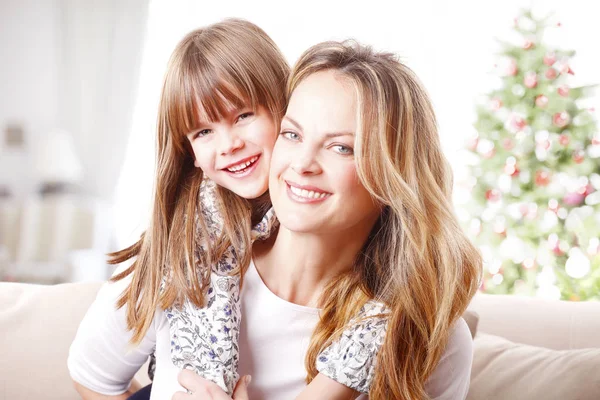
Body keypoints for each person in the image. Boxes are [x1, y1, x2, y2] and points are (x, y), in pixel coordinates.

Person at [68, 21, 407, 400]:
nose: (228, 145)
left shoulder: (382, 299)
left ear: (285, 108)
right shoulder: (179, 248)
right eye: (202, 132)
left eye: (243, 116)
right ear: (190, 155)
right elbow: (93, 375)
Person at [174, 40, 482, 400]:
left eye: (342, 147)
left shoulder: (429, 337)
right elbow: (95, 379)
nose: (303, 163)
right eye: (292, 134)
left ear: (392, 175)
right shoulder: (190, 270)